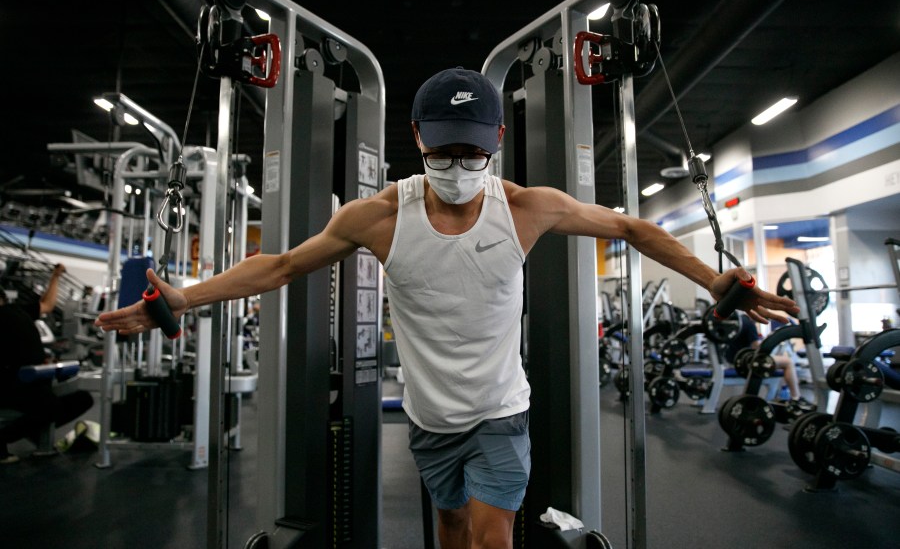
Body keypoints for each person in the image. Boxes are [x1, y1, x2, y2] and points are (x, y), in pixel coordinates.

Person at [95, 67, 798, 548]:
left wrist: (717, 282)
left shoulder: (526, 207)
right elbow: (277, 266)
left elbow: (633, 228)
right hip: (432, 423)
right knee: (453, 532)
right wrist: (181, 298)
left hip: (500, 412)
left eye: (472, 149)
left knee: (493, 538)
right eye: (445, 147)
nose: (458, 163)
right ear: (419, 136)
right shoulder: (377, 217)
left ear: (496, 141)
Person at [1, 264, 94, 463]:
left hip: (32, 380)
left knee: (82, 398)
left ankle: (33, 434)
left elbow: (48, 305)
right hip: (10, 384)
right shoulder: (10, 314)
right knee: (48, 406)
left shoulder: (16, 311)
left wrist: (55, 276)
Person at [724, 311, 813, 414]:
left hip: (732, 360)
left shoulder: (739, 321)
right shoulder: (750, 324)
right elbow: (757, 348)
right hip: (747, 362)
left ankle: (781, 394)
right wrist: (768, 341)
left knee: (778, 358)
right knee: (787, 362)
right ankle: (796, 398)